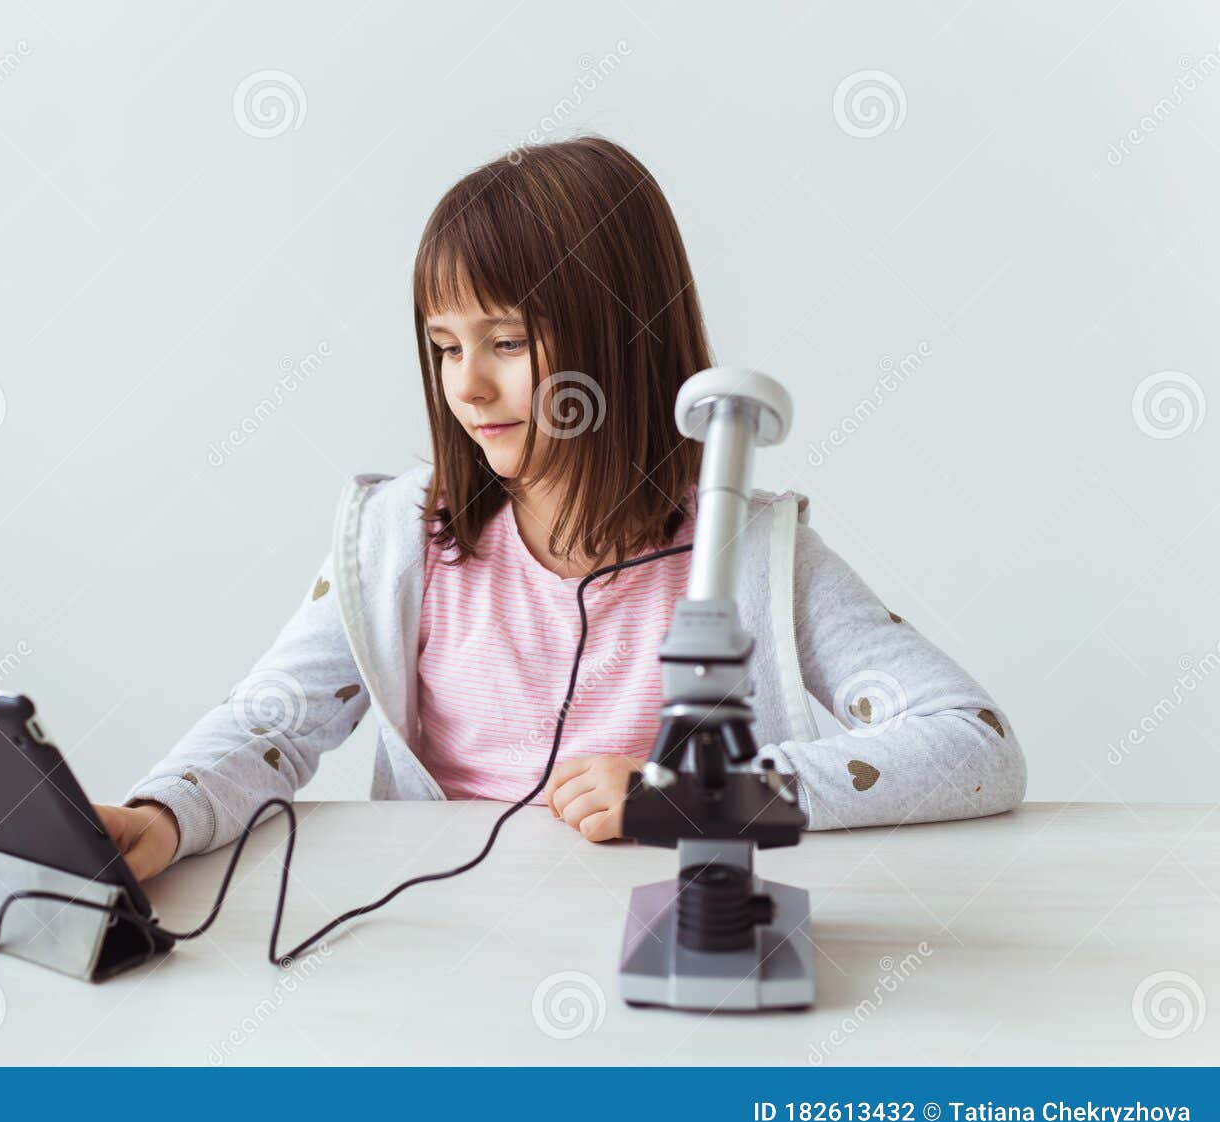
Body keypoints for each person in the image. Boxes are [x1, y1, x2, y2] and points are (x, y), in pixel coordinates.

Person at [94, 136, 1026, 880]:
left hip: (652, 968)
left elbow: (973, 744)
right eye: (445, 347)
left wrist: (697, 793)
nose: (469, 386)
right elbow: (272, 723)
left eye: (506, 340)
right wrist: (159, 816)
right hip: (441, 970)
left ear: (620, 339)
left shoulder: (748, 554)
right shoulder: (399, 544)